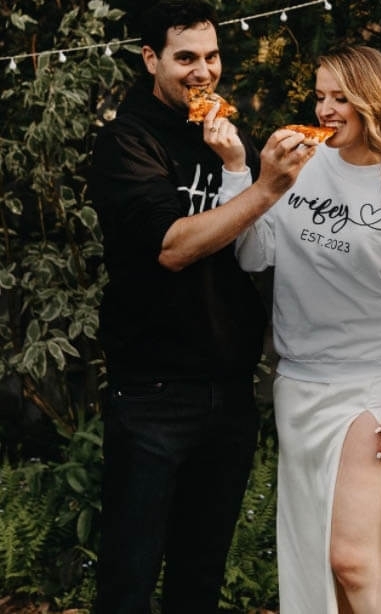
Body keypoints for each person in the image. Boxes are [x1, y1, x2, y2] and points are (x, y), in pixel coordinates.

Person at [87, 0, 315, 612]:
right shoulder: (126, 141)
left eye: (211, 56)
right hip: (153, 396)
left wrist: (241, 168)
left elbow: (252, 253)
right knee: (129, 582)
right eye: (185, 57)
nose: (202, 71)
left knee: (200, 581)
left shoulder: (221, 134)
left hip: (229, 393)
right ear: (150, 59)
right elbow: (172, 248)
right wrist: (266, 187)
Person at [236, 45, 381, 613]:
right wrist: (244, 177)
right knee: (328, 566)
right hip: (299, 387)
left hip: (372, 390)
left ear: (375, 101)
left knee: (353, 558)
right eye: (319, 96)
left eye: (341, 97)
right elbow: (252, 254)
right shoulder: (298, 168)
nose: (325, 109)